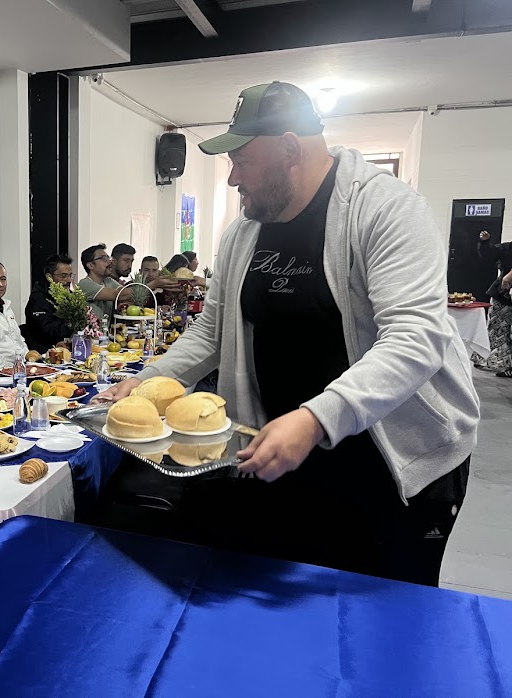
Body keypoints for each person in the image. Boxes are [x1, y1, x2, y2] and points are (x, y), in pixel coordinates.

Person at [98, 81, 479, 586]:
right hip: (289, 448)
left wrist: (316, 418)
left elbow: (415, 337)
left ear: (290, 149)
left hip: (394, 462)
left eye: (241, 161)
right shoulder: (244, 232)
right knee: (289, 593)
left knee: (379, 609)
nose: (232, 178)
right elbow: (212, 330)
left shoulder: (385, 209)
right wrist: (149, 380)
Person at [79, 244, 176, 319]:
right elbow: (120, 295)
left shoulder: (108, 281)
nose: (109, 262)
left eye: (108, 258)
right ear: (91, 265)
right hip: (88, 336)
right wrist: (154, 284)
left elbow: (127, 294)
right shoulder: (85, 284)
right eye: (104, 259)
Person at [476, 230, 512, 377]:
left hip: (504, 292)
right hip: (502, 294)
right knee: (495, 327)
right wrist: (485, 242)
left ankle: (506, 364)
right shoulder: (507, 248)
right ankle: (488, 358)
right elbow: (489, 253)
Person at [24, 254, 75, 353]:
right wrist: (72, 325)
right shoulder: (38, 298)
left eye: (70, 275)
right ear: (49, 277)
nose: (69, 280)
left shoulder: (70, 296)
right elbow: (47, 330)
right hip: (44, 353)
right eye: (63, 276)